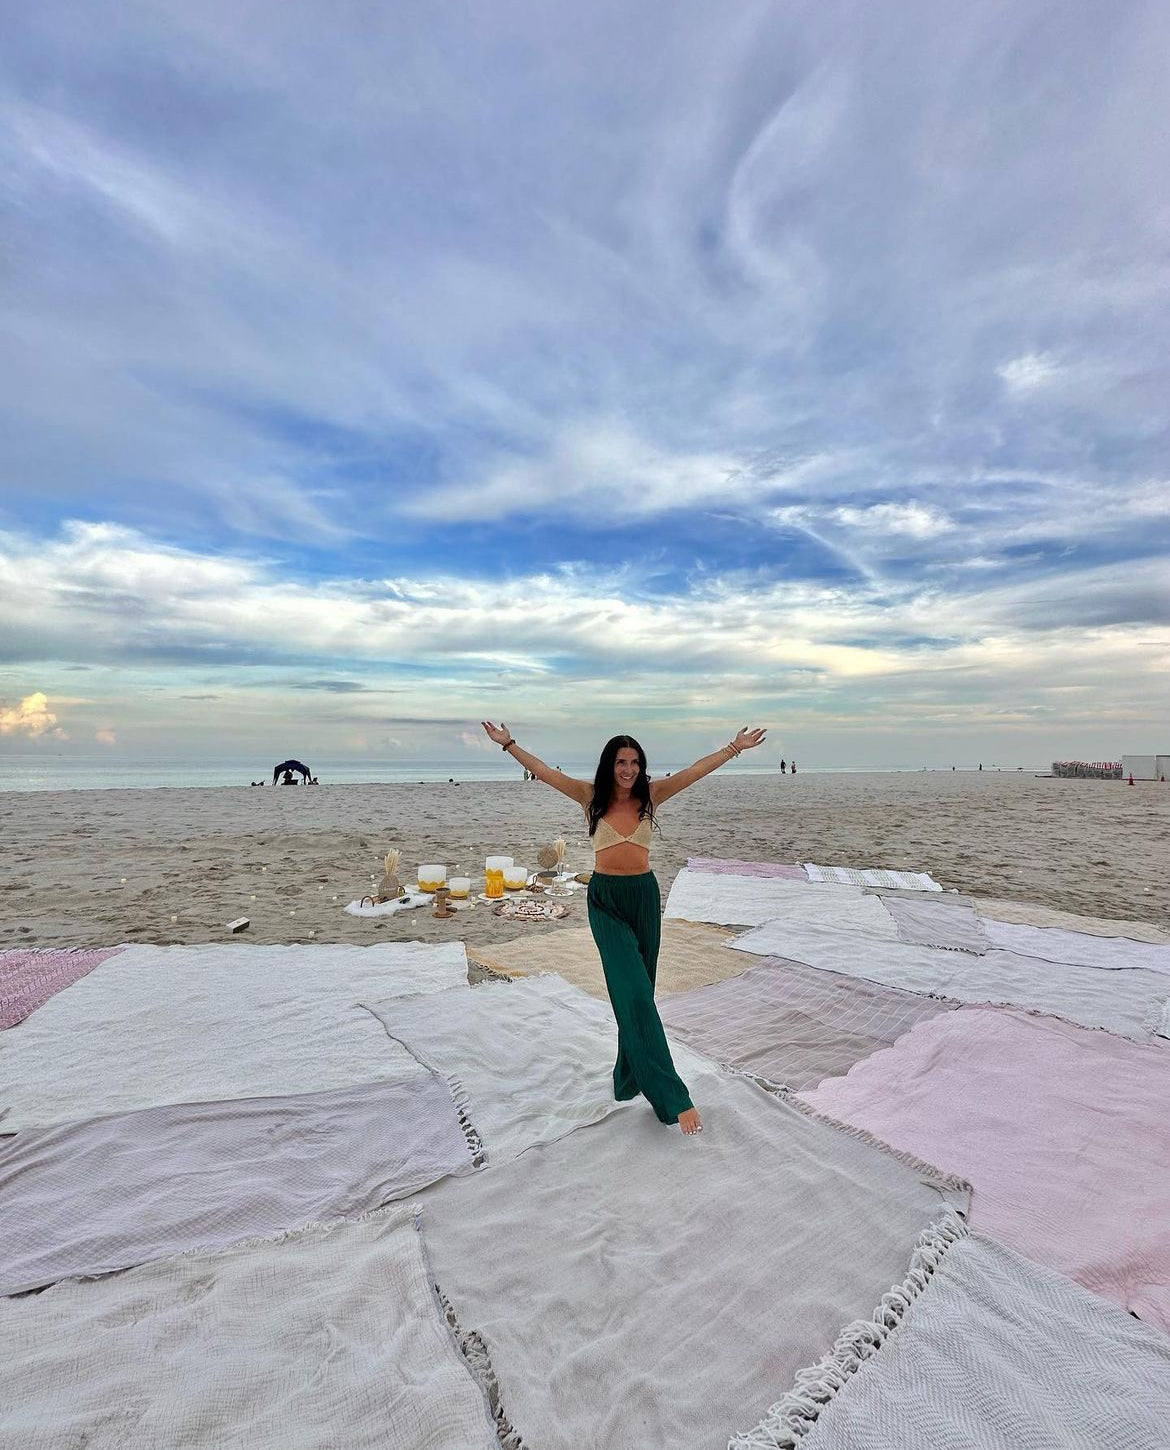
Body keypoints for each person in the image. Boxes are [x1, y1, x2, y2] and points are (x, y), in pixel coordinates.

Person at [480, 721, 767, 1135]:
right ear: (609, 764)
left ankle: (628, 1076)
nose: (628, 769)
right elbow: (545, 772)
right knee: (631, 991)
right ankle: (673, 1098)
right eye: (621, 762)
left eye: (634, 762)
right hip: (605, 901)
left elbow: (693, 772)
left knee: (641, 994)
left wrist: (733, 748)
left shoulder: (652, 795)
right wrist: (508, 745)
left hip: (644, 899)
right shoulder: (589, 795)